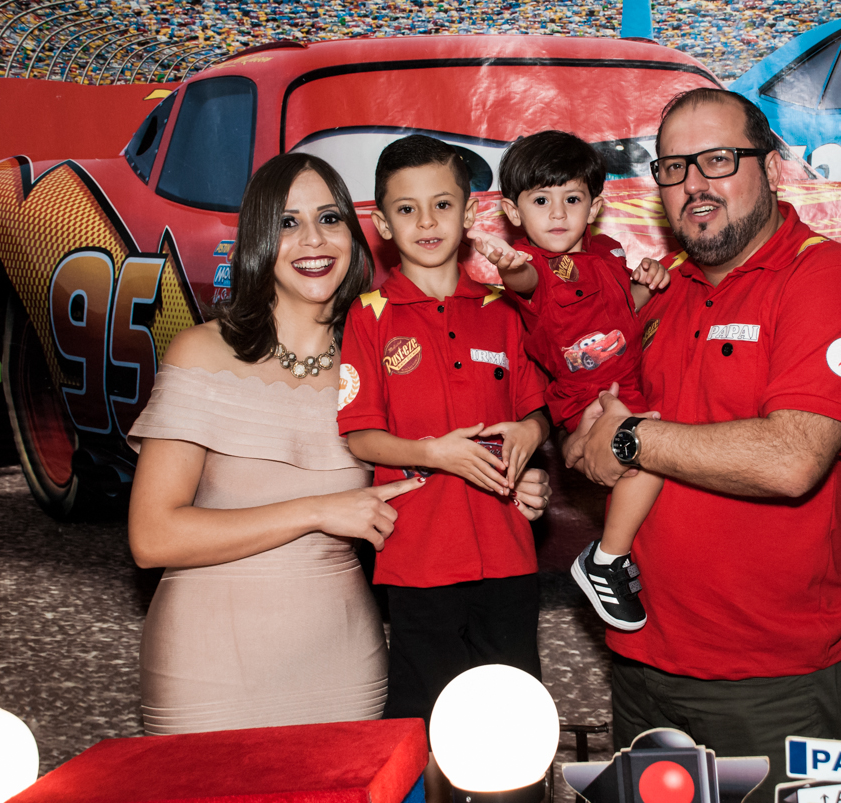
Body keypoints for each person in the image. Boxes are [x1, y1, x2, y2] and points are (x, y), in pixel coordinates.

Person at [126, 151, 554, 736]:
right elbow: (152, 537)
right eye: (287, 222)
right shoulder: (202, 352)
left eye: (329, 218)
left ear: (355, 234)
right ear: (257, 238)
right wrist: (318, 511)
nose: (313, 239)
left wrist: (514, 476)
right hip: (207, 666)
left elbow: (441, 466)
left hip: (345, 662)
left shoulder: (380, 348)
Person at [563, 88, 841, 795]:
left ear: (771, 168)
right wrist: (583, 440)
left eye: (717, 160)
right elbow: (594, 426)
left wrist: (628, 440)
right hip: (641, 659)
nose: (694, 184)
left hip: (773, 680)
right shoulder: (659, 295)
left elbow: (791, 459)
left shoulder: (830, 279)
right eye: (674, 167)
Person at [336, 135, 551, 801]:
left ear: (470, 212)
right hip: (420, 559)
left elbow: (537, 411)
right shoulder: (369, 317)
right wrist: (435, 453)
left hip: (508, 557)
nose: (426, 222)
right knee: (421, 727)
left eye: (441, 205)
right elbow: (360, 435)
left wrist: (530, 432)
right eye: (407, 209)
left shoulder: (502, 310)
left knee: (511, 730)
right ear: (382, 223)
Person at [471, 129, 670, 632]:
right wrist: (509, 266)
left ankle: (626, 549)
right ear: (514, 212)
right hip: (584, 397)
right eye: (541, 200)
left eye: (572, 199)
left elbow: (622, 317)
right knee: (645, 453)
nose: (557, 214)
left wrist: (647, 285)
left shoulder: (610, 253)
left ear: (595, 206)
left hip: (629, 385)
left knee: (662, 458)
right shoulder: (534, 264)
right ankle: (606, 559)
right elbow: (527, 284)